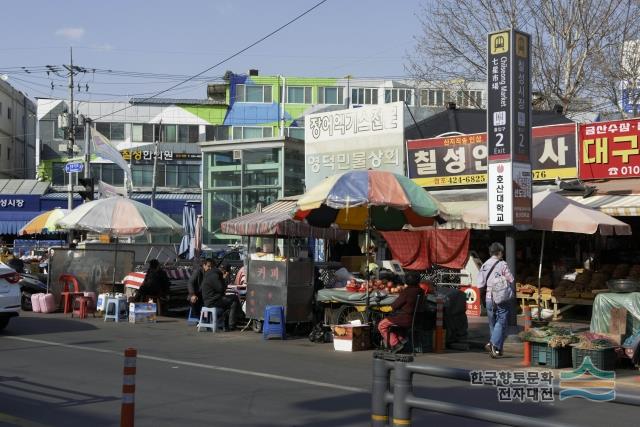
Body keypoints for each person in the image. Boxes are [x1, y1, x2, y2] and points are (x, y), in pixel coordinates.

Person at [476, 242, 515, 358]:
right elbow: (511, 279)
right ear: (499, 252)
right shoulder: (502, 264)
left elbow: (480, 283)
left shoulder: (484, 265)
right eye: (501, 252)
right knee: (502, 321)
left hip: (488, 298)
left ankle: (497, 350)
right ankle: (492, 343)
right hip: (501, 298)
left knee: (492, 324)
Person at [377, 272, 423, 353]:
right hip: (415, 318)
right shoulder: (421, 291)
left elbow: (394, 306)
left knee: (381, 325)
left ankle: (396, 344)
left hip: (404, 318)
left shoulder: (407, 291)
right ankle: (401, 340)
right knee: (393, 325)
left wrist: (381, 308)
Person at [200, 258, 242, 329]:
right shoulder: (215, 276)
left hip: (210, 299)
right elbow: (221, 289)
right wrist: (224, 279)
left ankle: (231, 322)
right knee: (234, 299)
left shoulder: (209, 274)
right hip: (212, 301)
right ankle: (233, 323)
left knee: (232, 300)